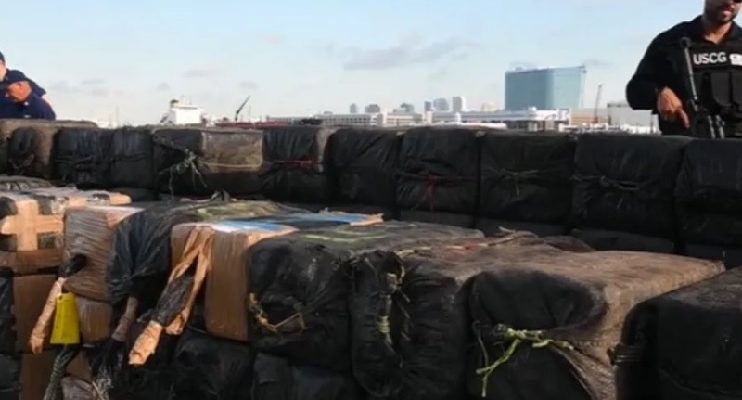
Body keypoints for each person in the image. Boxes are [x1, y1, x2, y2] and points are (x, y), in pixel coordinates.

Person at [626, 0, 742, 136]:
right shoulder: (670, 42)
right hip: (685, 144)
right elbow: (635, 91)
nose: (729, 2)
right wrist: (659, 94)